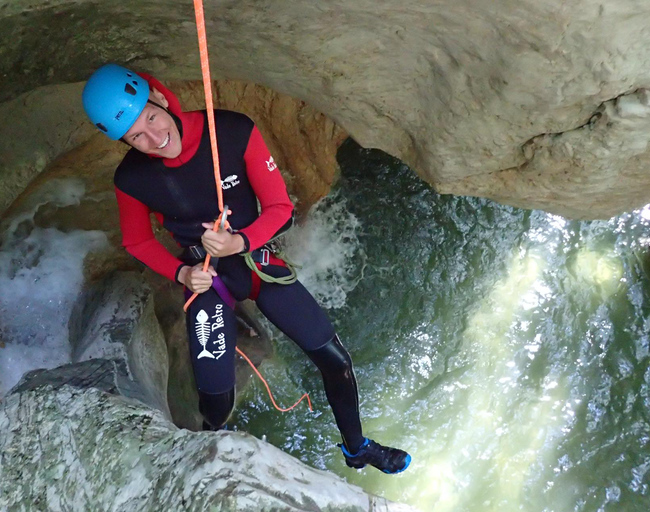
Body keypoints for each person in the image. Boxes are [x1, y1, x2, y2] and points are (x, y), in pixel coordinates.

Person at [82, 63, 412, 474]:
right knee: (216, 401)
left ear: (161, 98)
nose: (154, 138)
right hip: (204, 275)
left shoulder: (232, 132)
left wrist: (238, 241)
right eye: (135, 136)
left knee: (335, 360)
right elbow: (137, 240)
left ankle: (356, 448)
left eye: (151, 118)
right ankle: (206, 459)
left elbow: (280, 209)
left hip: (256, 260)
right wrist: (183, 275)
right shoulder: (131, 178)